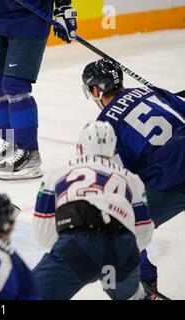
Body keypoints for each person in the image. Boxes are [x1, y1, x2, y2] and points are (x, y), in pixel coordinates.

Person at [82, 58, 185, 293]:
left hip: (174, 179)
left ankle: (145, 286)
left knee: (121, 227)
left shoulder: (106, 125)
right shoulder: (151, 91)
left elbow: (123, 186)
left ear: (96, 90)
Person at [32, 121, 154, 300]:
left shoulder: (57, 174)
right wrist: (106, 263)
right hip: (121, 250)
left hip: (77, 246)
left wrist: (83, 256)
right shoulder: (132, 179)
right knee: (129, 296)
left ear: (80, 148)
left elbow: (42, 232)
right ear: (113, 151)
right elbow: (143, 234)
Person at [0, 0, 78, 180]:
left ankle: (30, 154)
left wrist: (64, 6)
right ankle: (11, 142)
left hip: (29, 19)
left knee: (15, 85)